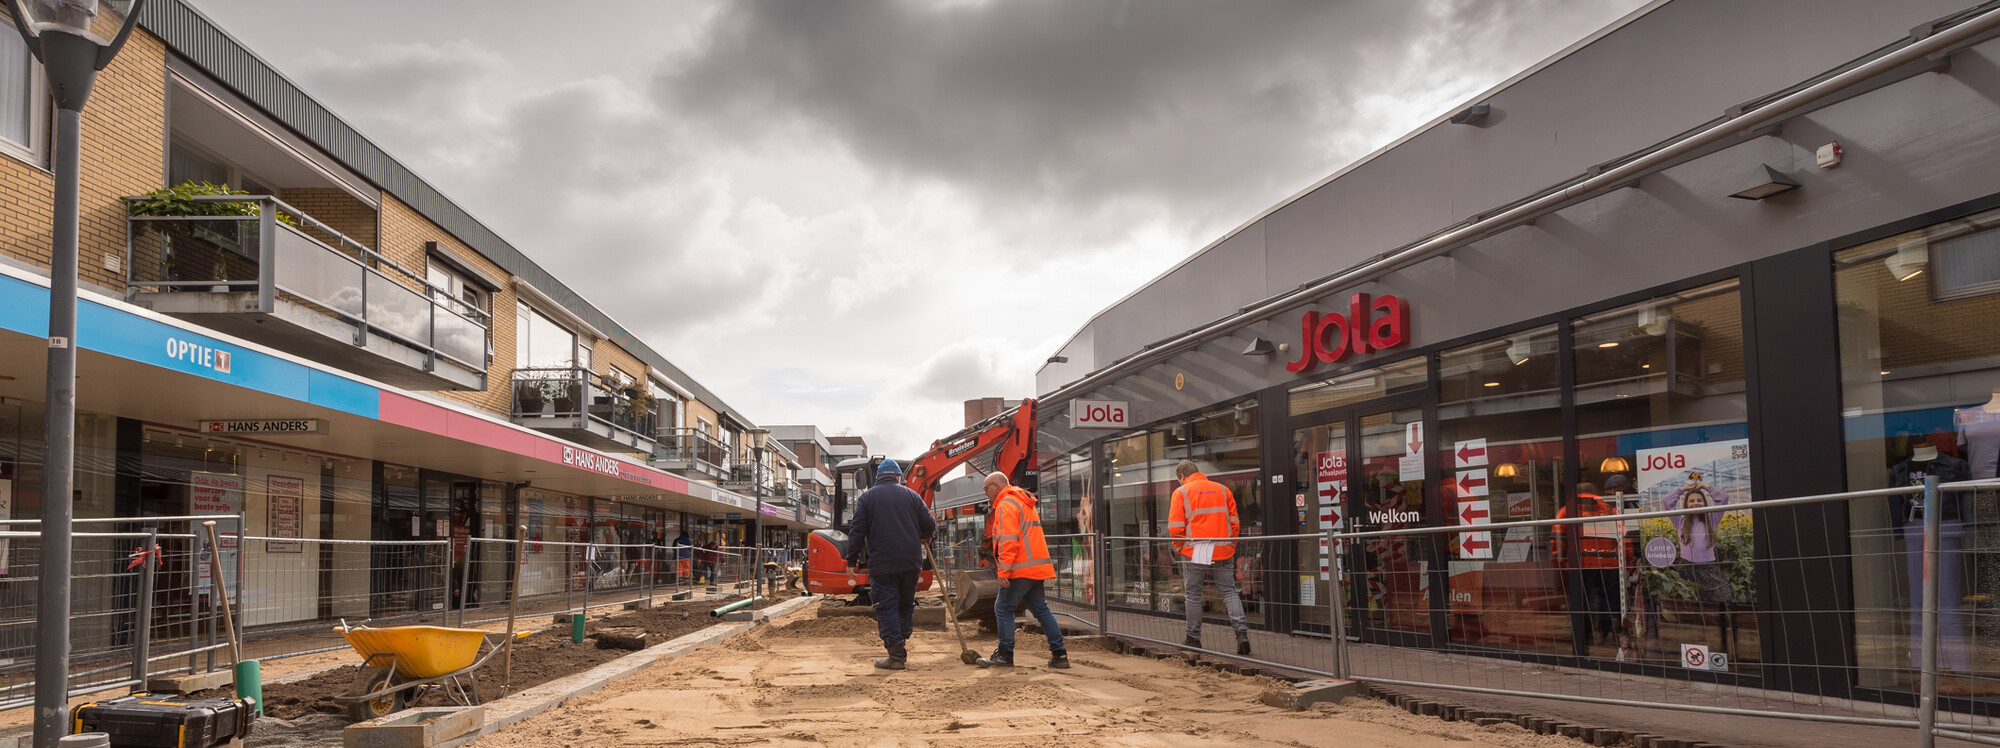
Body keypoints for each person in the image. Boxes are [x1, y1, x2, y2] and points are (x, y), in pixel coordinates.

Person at [843, 459, 936, 670]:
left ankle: (896, 654)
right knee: (905, 603)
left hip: (883, 564)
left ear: (878, 478)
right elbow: (929, 524)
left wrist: (851, 560)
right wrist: (923, 536)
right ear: (897, 477)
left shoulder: (867, 498)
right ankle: (901, 640)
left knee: (886, 606)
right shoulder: (912, 496)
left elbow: (857, 530)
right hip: (911, 563)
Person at [976, 472, 1069, 669]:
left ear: (996, 485)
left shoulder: (1006, 504)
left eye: (986, 489)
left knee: (1002, 608)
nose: (986, 493)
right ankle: (1060, 655)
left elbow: (1009, 540)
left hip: (1020, 568)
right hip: (1035, 567)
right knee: (1041, 610)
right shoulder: (1023, 501)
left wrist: (1004, 570)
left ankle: (1004, 654)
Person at [1169, 460, 1250, 655]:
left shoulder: (1180, 493)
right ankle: (1241, 634)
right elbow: (1235, 522)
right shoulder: (1223, 490)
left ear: (1182, 477)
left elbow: (1175, 528)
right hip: (1222, 548)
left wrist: (1180, 548)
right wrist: (1231, 544)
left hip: (1194, 551)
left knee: (1193, 595)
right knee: (1229, 592)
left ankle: (1193, 639)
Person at [1553, 480, 1624, 644]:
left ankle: (1583, 635)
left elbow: (1557, 538)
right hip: (1608, 563)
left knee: (1581, 599)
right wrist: (1625, 558)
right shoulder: (1609, 510)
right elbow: (1622, 535)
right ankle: (1607, 632)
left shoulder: (1566, 512)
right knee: (1608, 599)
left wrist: (1561, 560)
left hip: (1580, 564)